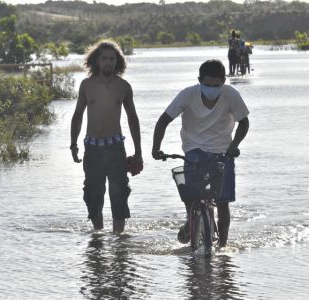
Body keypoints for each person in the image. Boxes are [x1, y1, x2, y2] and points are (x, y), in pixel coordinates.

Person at [151, 60, 249, 247]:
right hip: (193, 149)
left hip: (223, 151)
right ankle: (192, 219)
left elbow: (244, 123)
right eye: (207, 85)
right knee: (192, 196)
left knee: (223, 202)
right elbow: (163, 120)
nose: (211, 90)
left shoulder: (230, 94)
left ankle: (223, 246)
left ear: (223, 82)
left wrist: (234, 145)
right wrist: (156, 148)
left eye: (216, 86)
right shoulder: (188, 95)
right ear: (199, 81)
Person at [70, 40, 143, 234]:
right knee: (94, 193)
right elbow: (77, 116)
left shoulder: (123, 87)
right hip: (92, 148)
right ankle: (98, 234)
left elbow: (133, 119)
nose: (108, 63)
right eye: (104, 59)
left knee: (119, 192)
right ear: (97, 61)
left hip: (115, 147)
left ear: (117, 61)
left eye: (112, 59)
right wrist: (73, 145)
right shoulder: (87, 85)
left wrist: (138, 152)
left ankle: (118, 238)